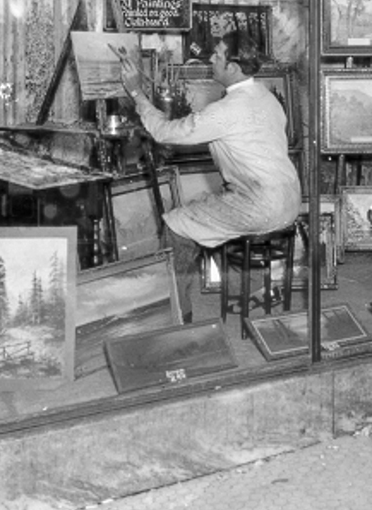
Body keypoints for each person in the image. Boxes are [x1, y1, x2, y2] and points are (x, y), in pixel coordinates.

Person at [121, 31, 301, 319]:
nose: (211, 59)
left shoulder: (226, 110)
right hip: (290, 201)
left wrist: (136, 93)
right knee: (210, 210)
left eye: (218, 55)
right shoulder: (267, 98)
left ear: (233, 67)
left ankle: (177, 311)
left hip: (260, 206)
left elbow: (164, 132)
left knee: (177, 224)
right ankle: (250, 293)